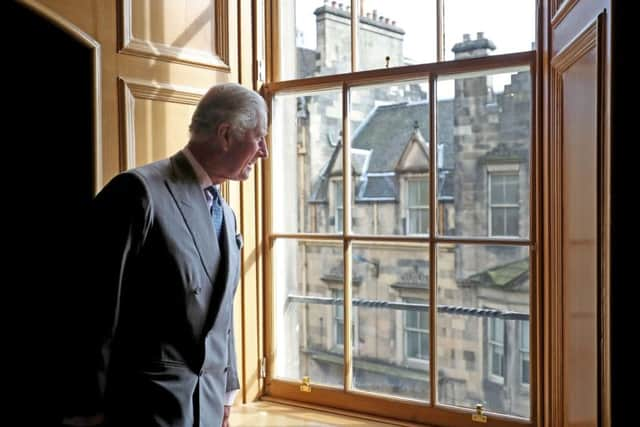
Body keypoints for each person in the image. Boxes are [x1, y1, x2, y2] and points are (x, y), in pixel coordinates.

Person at [62, 82, 268, 427]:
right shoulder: (136, 193)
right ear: (226, 135)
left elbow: (221, 315)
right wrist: (86, 409)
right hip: (143, 409)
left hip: (206, 408)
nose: (264, 151)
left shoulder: (227, 215)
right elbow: (91, 309)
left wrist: (225, 396)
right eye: (259, 137)